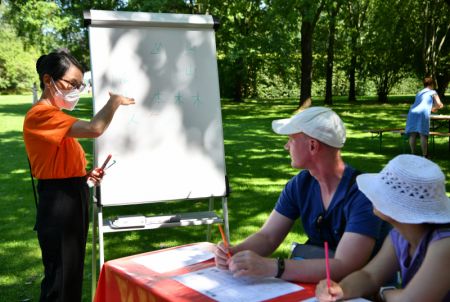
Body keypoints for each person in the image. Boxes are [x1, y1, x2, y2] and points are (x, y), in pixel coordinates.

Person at [215, 107, 388, 283]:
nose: (286, 146)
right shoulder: (301, 184)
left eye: (291, 139)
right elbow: (268, 237)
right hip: (317, 286)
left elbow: (345, 265)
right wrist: (234, 252)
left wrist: (273, 267)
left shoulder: (363, 194)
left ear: (312, 146)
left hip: (357, 292)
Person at [23, 49, 135, 302]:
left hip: (72, 195)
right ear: (48, 80)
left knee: (70, 274)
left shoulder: (57, 117)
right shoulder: (41, 115)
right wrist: (113, 101)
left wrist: (85, 176)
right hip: (59, 202)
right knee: (60, 280)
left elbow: (59, 164)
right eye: (71, 83)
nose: (76, 89)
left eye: (80, 84)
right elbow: (95, 129)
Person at [315, 154, 450, 302]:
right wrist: (341, 289)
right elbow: (370, 276)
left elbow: (410, 300)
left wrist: (385, 292)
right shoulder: (399, 236)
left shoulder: (444, 244)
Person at [405, 76, 444, 157]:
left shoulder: (419, 93)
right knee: (423, 134)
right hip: (422, 113)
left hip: (412, 112)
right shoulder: (433, 92)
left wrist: (432, 108)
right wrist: (437, 107)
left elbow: (421, 104)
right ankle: (424, 155)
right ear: (432, 84)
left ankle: (413, 154)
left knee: (413, 134)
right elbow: (439, 104)